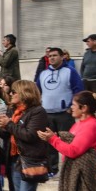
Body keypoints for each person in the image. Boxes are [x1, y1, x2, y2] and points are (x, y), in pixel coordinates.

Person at [36, 47, 84, 176]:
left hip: (64, 114)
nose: (52, 58)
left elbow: (78, 90)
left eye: (55, 55)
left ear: (62, 57)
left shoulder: (70, 72)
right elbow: (36, 92)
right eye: (50, 56)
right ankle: (52, 169)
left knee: (67, 142)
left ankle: (70, 170)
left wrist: (71, 107)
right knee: (49, 143)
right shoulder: (43, 74)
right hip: (47, 114)